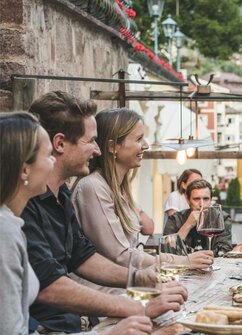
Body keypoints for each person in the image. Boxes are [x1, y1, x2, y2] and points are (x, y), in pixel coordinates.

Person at [23, 92, 187, 333]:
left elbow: (83, 256)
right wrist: (135, 306)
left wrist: (139, 278)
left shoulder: (63, 195)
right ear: (59, 144)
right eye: (91, 141)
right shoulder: (25, 203)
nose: (97, 151)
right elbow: (49, 285)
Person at [0, 112, 153, 335]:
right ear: (25, 169)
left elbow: (81, 255)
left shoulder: (17, 219)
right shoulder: (5, 230)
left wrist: (139, 280)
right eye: (47, 155)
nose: (52, 161)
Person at [72, 108, 214, 271]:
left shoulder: (118, 190)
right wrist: (182, 261)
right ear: (112, 146)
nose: (146, 145)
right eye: (139, 138)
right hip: (103, 292)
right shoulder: (93, 187)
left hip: (121, 286)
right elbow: (122, 255)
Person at [163, 179, 232, 254]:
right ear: (188, 200)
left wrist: (195, 254)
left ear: (211, 199)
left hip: (214, 264)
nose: (201, 204)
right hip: (184, 265)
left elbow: (224, 250)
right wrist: (187, 225)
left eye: (206, 199)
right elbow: (167, 251)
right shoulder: (175, 219)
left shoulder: (221, 218)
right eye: (196, 199)